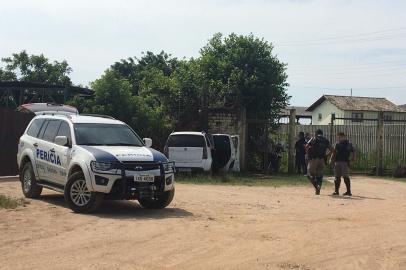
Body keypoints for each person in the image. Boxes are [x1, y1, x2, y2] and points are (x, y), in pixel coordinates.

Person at [306, 129, 332, 195]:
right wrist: (326, 155)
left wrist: (308, 155)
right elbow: (332, 150)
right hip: (322, 160)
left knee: (309, 175)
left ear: (316, 133)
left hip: (314, 159)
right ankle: (319, 186)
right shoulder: (326, 140)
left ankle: (316, 186)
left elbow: (306, 146)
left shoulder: (314, 138)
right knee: (319, 176)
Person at [330, 132, 355, 196]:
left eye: (340, 137)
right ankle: (336, 191)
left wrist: (352, 159)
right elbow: (334, 152)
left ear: (344, 137)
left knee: (345, 177)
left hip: (345, 162)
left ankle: (348, 191)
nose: (338, 138)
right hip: (337, 162)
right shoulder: (337, 144)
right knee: (337, 177)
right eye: (338, 137)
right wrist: (331, 160)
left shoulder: (348, 143)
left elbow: (353, 151)